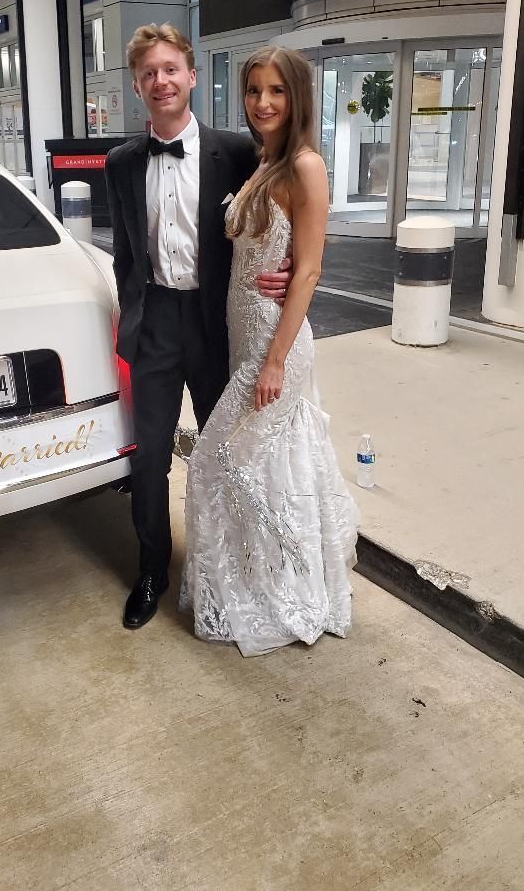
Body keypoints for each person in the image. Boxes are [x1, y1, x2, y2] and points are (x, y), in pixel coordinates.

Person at [105, 24, 291, 630]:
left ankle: (226, 566)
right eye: (148, 74)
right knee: (151, 457)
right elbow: (125, 252)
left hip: (217, 325)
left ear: (190, 74)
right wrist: (130, 311)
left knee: (224, 452)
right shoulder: (122, 163)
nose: (161, 81)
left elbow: (285, 216)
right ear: (138, 86)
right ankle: (153, 570)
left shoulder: (237, 151)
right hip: (155, 321)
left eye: (170, 69)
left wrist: (290, 272)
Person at [180, 46, 358, 656]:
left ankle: (280, 586)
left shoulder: (305, 165)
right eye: (254, 90)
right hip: (244, 332)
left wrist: (277, 358)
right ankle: (270, 577)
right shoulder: (265, 162)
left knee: (217, 460)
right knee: (270, 465)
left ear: (299, 97)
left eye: (276, 91)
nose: (262, 103)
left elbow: (307, 270)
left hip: (272, 342)